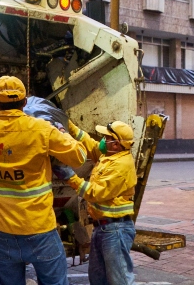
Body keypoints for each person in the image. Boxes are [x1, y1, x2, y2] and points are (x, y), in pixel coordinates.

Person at [0, 76, 87, 285]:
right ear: (25, 102)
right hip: (40, 231)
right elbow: (79, 156)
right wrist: (63, 132)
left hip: (4, 234)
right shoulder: (41, 129)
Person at [66, 120, 137, 285]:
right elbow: (91, 145)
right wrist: (68, 126)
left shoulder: (121, 166)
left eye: (106, 137)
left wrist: (71, 178)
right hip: (103, 228)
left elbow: (95, 193)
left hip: (115, 230)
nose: (103, 141)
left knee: (119, 280)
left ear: (116, 144)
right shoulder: (110, 155)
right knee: (98, 279)